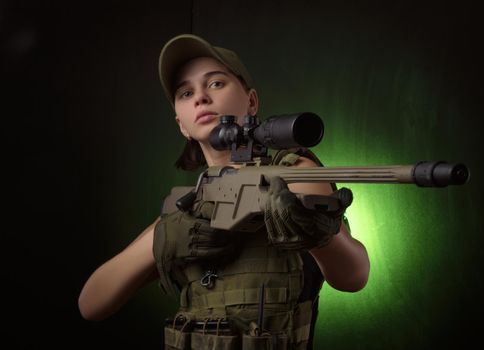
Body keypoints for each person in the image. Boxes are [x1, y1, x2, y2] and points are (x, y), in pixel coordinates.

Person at [78, 34, 370, 349]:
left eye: (216, 83)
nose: (201, 97)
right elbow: (91, 304)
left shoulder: (294, 171)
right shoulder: (187, 209)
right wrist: (169, 236)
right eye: (186, 92)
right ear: (182, 125)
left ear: (252, 101)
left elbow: (354, 277)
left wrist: (322, 236)